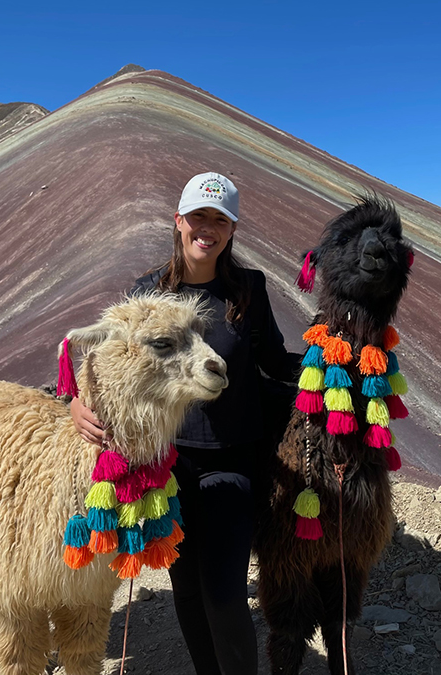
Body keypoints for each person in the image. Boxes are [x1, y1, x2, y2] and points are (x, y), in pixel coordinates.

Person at [70, 171, 299, 674]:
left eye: (220, 219)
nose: (208, 228)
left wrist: (328, 364)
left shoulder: (248, 290)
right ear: (179, 221)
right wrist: (74, 401)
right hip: (164, 469)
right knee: (188, 594)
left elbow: (273, 360)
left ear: (232, 229)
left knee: (222, 596)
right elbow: (104, 364)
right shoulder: (146, 295)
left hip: (233, 463)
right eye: (199, 216)